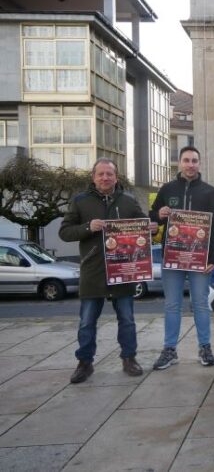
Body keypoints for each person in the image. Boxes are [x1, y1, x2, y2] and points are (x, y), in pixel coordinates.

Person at [59, 158, 155, 384]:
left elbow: (142, 226)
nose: (105, 178)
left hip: (123, 269)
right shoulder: (80, 201)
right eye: (100, 174)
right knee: (87, 321)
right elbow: (65, 232)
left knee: (127, 319)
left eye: (109, 174)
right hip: (93, 271)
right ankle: (85, 363)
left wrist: (150, 228)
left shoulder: (128, 201)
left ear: (116, 177)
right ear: (93, 177)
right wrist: (87, 227)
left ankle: (129, 358)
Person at [150, 146, 214, 370]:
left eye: (194, 161)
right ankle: (170, 350)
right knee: (172, 305)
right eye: (186, 160)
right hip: (172, 257)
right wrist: (158, 215)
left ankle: (205, 347)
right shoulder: (167, 189)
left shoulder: (209, 192)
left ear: (199, 164)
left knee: (200, 304)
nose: (190, 164)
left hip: (199, 258)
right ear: (180, 163)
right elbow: (153, 218)